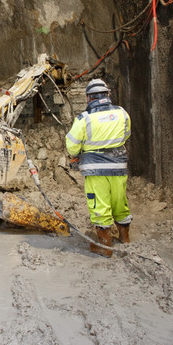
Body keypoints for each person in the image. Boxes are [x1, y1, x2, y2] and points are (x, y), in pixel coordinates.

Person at [65, 79, 132, 257]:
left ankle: (104, 246)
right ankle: (125, 238)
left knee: (99, 205)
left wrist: (79, 153)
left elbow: (71, 146)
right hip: (119, 166)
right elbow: (126, 134)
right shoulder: (122, 113)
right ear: (108, 95)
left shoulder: (84, 119)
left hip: (96, 170)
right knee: (119, 201)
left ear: (88, 98)